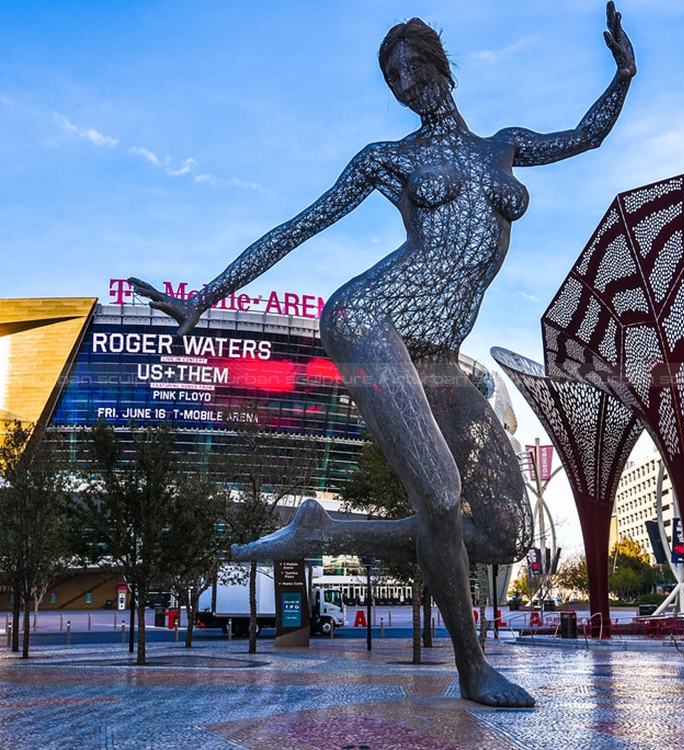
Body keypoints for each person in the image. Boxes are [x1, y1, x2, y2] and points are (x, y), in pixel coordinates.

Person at [130, 2, 635, 707]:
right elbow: (300, 224)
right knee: (439, 493)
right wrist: (207, 295)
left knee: (503, 532)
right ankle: (472, 668)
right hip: (369, 320)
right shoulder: (389, 158)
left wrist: (624, 72)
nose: (405, 87)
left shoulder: (505, 146)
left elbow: (586, 135)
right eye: (393, 79)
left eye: (412, 70)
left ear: (440, 66)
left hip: (440, 359)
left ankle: (327, 529)